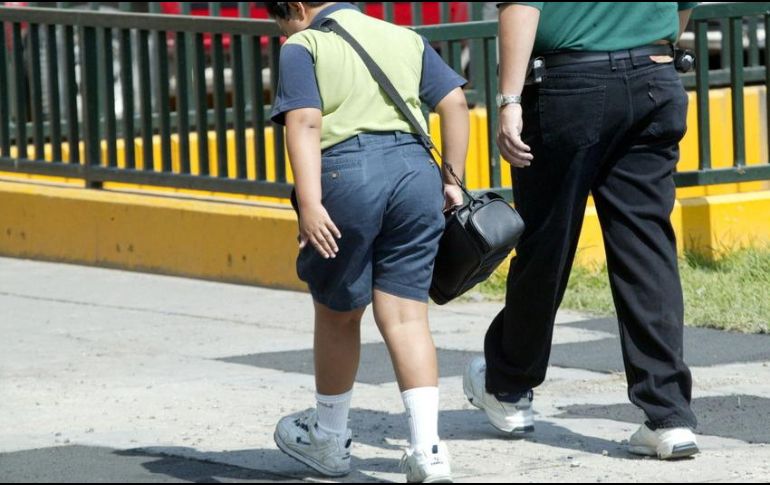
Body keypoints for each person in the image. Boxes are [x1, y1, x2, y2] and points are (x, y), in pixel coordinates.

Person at [463, 2, 700, 460]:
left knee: (546, 244)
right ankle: (668, 415)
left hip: (570, 83)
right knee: (646, 247)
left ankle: (510, 386)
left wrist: (509, 100)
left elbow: (521, 7)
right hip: (654, 73)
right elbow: (682, 11)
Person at [265, 2, 469, 482]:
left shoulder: (303, 45)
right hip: (416, 176)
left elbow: (305, 122)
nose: (284, 29)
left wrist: (311, 203)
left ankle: (330, 438)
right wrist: (453, 180)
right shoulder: (403, 36)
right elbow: (454, 103)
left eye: (281, 19)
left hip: (347, 174)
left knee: (338, 313)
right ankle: (428, 450)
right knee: (406, 314)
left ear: (295, 8)